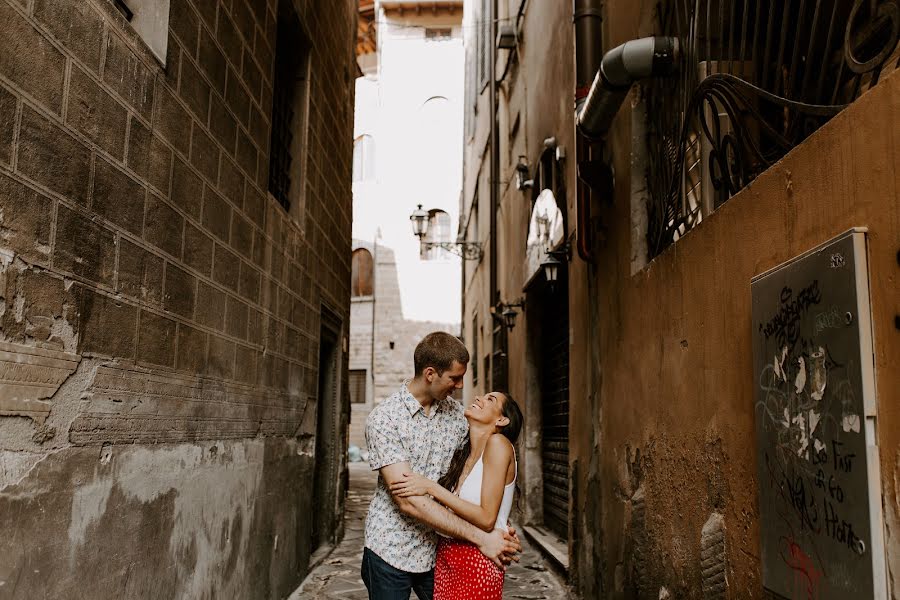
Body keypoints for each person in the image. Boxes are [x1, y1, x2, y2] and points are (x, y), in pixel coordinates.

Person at [362, 332, 521, 600]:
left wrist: (500, 526)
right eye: (454, 378)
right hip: (390, 549)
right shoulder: (384, 420)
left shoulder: (460, 417)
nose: (460, 386)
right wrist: (483, 537)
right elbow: (409, 501)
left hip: (440, 550)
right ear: (430, 374)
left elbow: (482, 473)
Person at [389, 390, 522, 600]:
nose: (479, 398)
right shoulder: (464, 455)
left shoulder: (498, 444)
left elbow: (487, 519)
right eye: (483, 395)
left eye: (491, 399)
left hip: (478, 558)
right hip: (446, 557)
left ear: (502, 419)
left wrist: (432, 488)